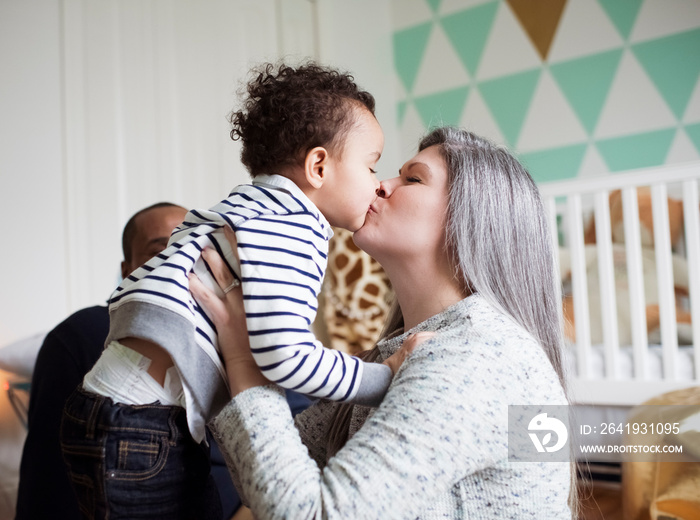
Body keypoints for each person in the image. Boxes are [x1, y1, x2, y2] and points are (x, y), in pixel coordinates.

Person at [60, 62, 395, 519]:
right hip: (140, 424)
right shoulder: (297, 227)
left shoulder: (246, 205)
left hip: (108, 404)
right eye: (372, 165)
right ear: (318, 165)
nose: (380, 184)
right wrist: (386, 377)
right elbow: (287, 357)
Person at [193, 127, 575, 518]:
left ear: (471, 221)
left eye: (412, 178)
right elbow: (268, 478)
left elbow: (313, 513)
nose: (379, 185)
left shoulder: (478, 359)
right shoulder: (403, 353)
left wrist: (242, 357)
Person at [16, 203, 246, 520]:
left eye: (191, 245)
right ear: (129, 271)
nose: (178, 259)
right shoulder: (83, 333)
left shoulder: (235, 335)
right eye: (160, 250)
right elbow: (47, 485)